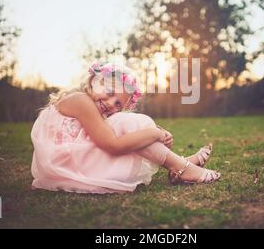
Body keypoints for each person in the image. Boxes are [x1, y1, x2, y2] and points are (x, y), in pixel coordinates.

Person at [31, 62, 221, 194]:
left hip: (73, 163)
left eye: (118, 104)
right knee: (128, 124)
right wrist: (154, 133)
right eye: (110, 92)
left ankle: (178, 165)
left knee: (127, 124)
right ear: (94, 82)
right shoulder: (81, 101)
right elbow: (113, 144)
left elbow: (118, 130)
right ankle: (181, 166)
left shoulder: (95, 109)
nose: (111, 104)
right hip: (70, 166)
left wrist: (156, 134)